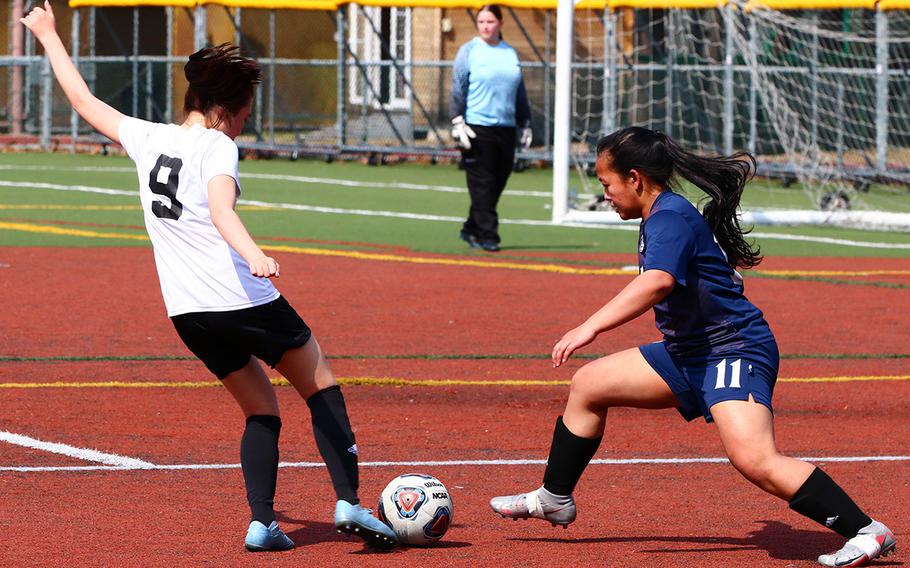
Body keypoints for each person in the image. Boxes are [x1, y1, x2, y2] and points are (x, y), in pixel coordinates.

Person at [21, 2, 396, 553]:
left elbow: (81, 100)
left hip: (187, 313)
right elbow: (223, 211)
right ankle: (348, 500)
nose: (245, 121)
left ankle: (263, 522)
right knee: (322, 386)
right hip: (240, 298)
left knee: (261, 409)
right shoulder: (218, 145)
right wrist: (255, 254)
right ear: (223, 109)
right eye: (244, 112)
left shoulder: (148, 138)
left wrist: (49, 33)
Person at [489, 126, 895, 567]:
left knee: (754, 459)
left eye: (606, 183)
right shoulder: (664, 214)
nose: (604, 194)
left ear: (635, 178)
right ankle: (554, 498)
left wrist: (590, 327)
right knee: (588, 385)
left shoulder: (668, 217)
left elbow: (657, 282)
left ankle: (866, 531)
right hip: (690, 351)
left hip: (731, 350)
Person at [450, 4, 532, 253]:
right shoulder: (470, 50)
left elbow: (518, 90)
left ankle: (471, 227)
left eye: (490, 22)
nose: (486, 26)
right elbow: (458, 86)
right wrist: (457, 121)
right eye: (482, 22)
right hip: (477, 126)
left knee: (498, 181)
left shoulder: (509, 53)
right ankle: (488, 235)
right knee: (482, 182)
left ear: (500, 24)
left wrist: (525, 123)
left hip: (505, 127)